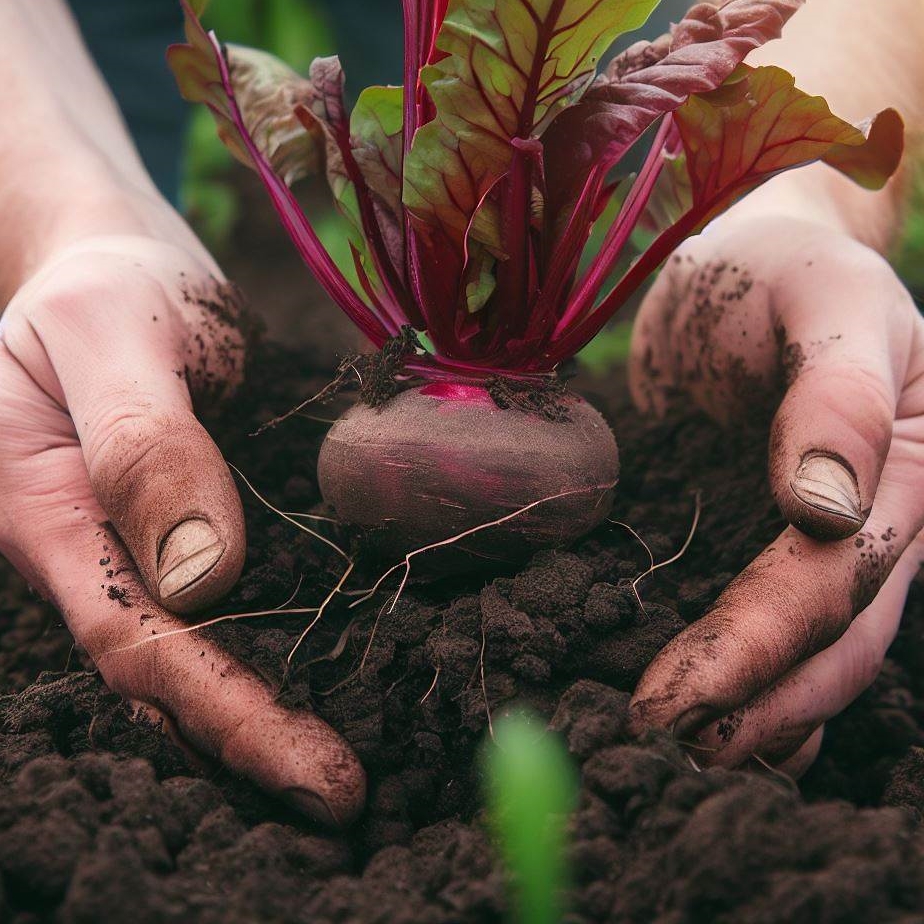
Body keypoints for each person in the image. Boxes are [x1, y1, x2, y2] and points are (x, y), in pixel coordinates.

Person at [0, 0, 919, 826]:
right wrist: (78, 227)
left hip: (519, 378)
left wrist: (798, 209)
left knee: (520, 106)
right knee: (468, 106)